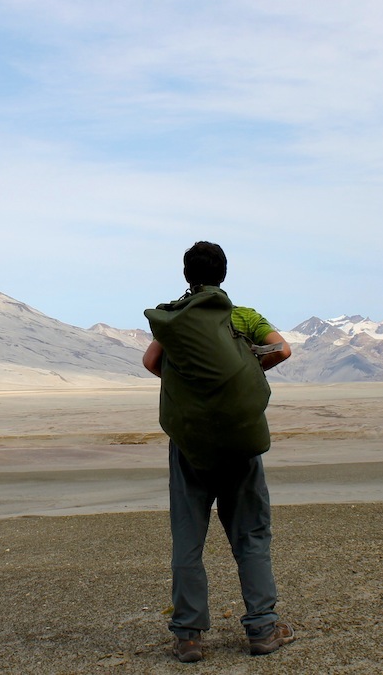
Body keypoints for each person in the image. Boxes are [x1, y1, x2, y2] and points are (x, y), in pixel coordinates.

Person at [142, 241, 294, 663]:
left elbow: (150, 362)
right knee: (251, 535)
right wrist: (243, 374)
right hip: (239, 442)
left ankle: (188, 636)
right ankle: (263, 629)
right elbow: (282, 349)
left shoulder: (172, 320)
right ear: (224, 274)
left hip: (190, 443)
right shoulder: (244, 316)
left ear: (187, 274)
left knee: (188, 540)